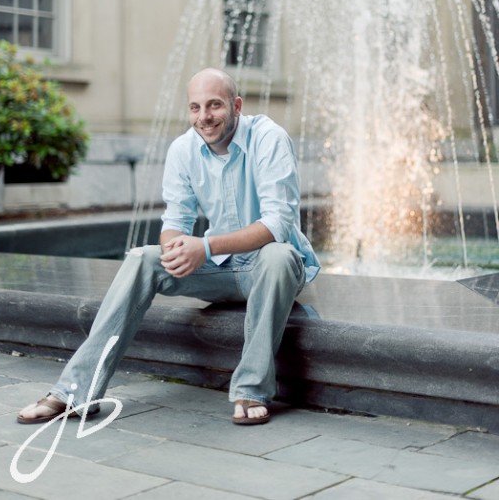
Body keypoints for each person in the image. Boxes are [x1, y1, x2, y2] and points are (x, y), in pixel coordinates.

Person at [17, 67, 320, 426]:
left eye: (214, 105)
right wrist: (176, 251)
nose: (204, 117)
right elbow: (174, 222)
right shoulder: (183, 150)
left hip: (274, 270)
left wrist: (204, 248)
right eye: (195, 107)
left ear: (237, 105)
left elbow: (277, 224)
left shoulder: (269, 138)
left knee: (278, 255)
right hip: (222, 271)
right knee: (142, 259)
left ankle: (250, 389)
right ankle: (75, 392)